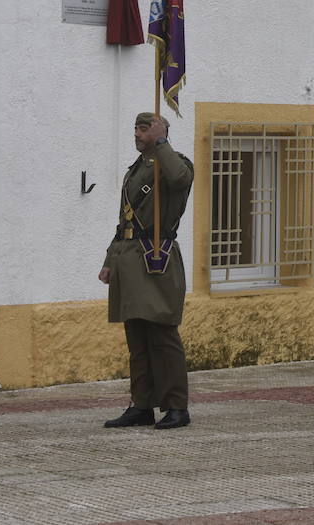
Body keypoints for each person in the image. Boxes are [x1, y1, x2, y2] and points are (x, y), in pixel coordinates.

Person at [98, 112, 195, 430]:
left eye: (144, 128)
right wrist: (110, 259)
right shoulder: (137, 169)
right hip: (130, 258)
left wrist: (161, 141)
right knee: (137, 337)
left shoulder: (174, 163)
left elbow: (180, 180)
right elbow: (125, 221)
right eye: (136, 129)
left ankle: (177, 406)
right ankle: (141, 404)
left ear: (161, 131)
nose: (137, 134)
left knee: (162, 335)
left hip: (156, 258)